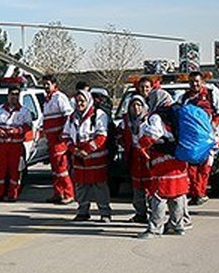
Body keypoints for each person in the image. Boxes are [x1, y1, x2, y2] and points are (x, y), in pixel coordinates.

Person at [137, 89, 189, 239]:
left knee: (159, 196)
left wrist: (141, 143)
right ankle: (177, 225)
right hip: (179, 160)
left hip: (163, 162)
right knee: (178, 195)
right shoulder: (178, 113)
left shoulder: (157, 116)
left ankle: (155, 228)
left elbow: (153, 134)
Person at [63, 90, 112, 222]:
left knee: (99, 186)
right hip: (79, 158)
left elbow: (102, 136)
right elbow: (66, 136)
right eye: (77, 101)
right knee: (81, 186)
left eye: (82, 101)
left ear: (88, 101)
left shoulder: (98, 115)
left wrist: (88, 150)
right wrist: (74, 150)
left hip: (96, 158)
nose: (80, 104)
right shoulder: (71, 117)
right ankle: (82, 211)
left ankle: (105, 212)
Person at [178, 72, 219, 206]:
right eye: (191, 82)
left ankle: (200, 193)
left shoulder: (211, 93)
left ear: (202, 81)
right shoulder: (184, 97)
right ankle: (196, 193)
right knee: (191, 168)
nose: (194, 84)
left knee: (205, 168)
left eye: (197, 81)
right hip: (191, 138)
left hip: (209, 137)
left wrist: (212, 129)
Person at [0, 83, 33, 201]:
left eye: (16, 95)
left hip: (16, 146)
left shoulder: (24, 111)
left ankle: (12, 194)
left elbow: (28, 126)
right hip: (1, 145)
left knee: (15, 171)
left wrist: (17, 130)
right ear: (7, 95)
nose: (14, 97)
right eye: (12, 94)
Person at [40, 74, 75, 205]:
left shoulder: (59, 98)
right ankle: (58, 193)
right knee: (54, 169)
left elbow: (68, 115)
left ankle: (68, 193)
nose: (45, 87)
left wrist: (64, 132)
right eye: (44, 85)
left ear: (54, 85)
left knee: (61, 168)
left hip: (59, 140)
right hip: (51, 140)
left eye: (47, 84)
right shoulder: (47, 100)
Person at [119, 94, 151, 223]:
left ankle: (153, 214)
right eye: (133, 105)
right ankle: (140, 213)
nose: (136, 108)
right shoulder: (126, 121)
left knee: (150, 188)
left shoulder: (150, 119)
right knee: (137, 187)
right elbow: (120, 135)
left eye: (139, 105)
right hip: (133, 157)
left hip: (147, 157)